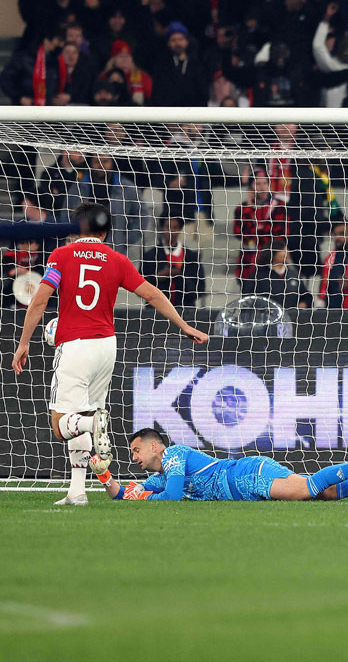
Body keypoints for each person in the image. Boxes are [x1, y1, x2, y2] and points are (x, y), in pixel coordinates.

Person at [10, 203, 209, 506]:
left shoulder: (61, 255)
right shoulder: (117, 259)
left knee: (61, 422)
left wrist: (24, 342)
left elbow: (39, 301)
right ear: (105, 230)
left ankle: (94, 425)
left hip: (75, 344)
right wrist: (184, 326)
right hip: (106, 346)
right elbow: (152, 293)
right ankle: (77, 491)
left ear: (76, 227)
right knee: (82, 412)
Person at [88, 428, 348, 503]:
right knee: (326, 493)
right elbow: (124, 495)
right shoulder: (163, 477)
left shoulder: (174, 455)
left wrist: (145, 499)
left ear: (153, 446)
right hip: (245, 483)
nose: (133, 458)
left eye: (136, 451)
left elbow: (173, 497)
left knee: (306, 490)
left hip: (247, 476)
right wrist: (103, 474)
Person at [140, 216, 206, 308]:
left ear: (180, 229)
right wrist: (158, 277)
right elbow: (139, 287)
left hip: (185, 311)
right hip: (156, 312)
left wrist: (180, 277)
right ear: (162, 228)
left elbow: (200, 289)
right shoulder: (150, 256)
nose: (171, 231)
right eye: (167, 227)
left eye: (174, 228)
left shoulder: (191, 257)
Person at [254, 241, 313, 310]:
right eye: (282, 250)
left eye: (286, 250)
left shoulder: (294, 275)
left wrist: (304, 303)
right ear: (273, 253)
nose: (286, 253)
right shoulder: (259, 275)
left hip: (291, 317)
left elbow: (306, 296)